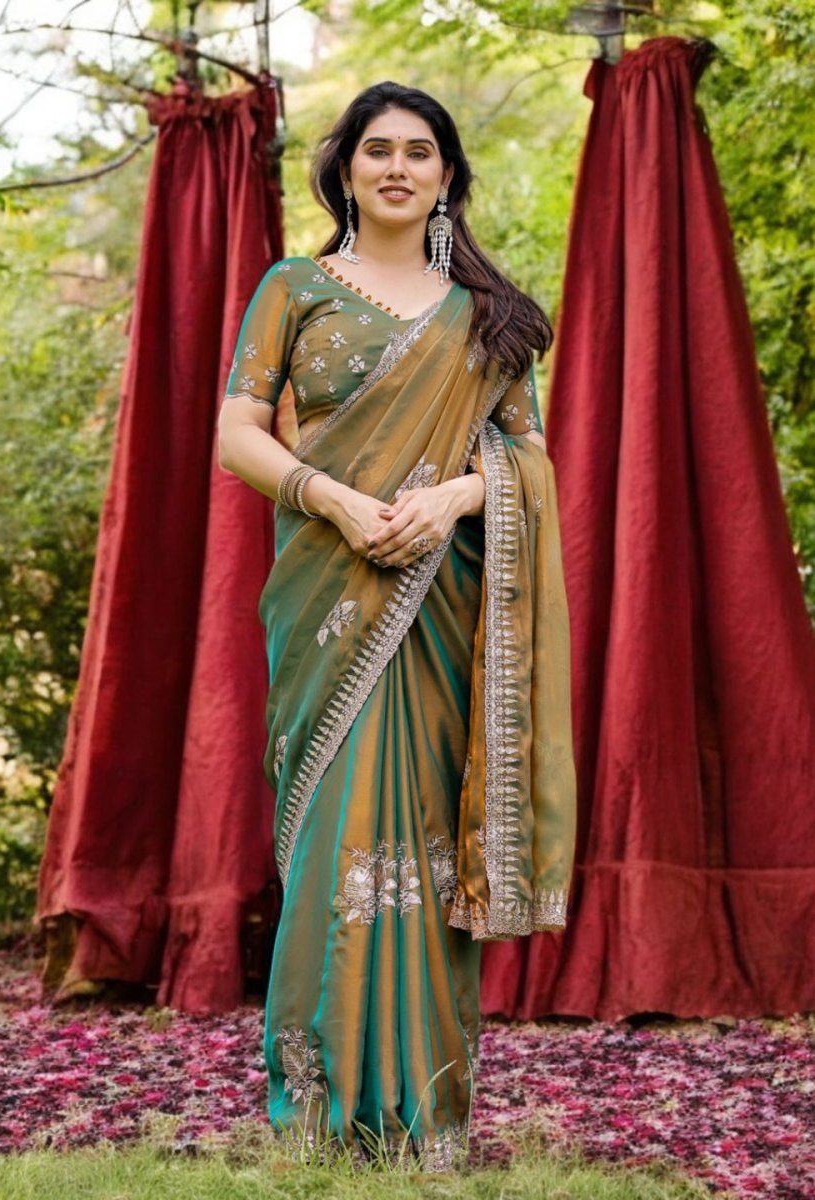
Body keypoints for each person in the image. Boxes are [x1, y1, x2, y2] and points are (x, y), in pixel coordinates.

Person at [217, 80, 576, 1172]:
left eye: (420, 152)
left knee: (421, 851)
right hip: (328, 600)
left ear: (448, 177)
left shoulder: (486, 316)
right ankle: (316, 1122)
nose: (397, 168)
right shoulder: (293, 287)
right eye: (377, 150)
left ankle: (427, 1119)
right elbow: (237, 432)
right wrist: (329, 498)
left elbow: (527, 455)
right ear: (345, 170)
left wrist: (457, 499)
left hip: (438, 609)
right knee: (332, 852)